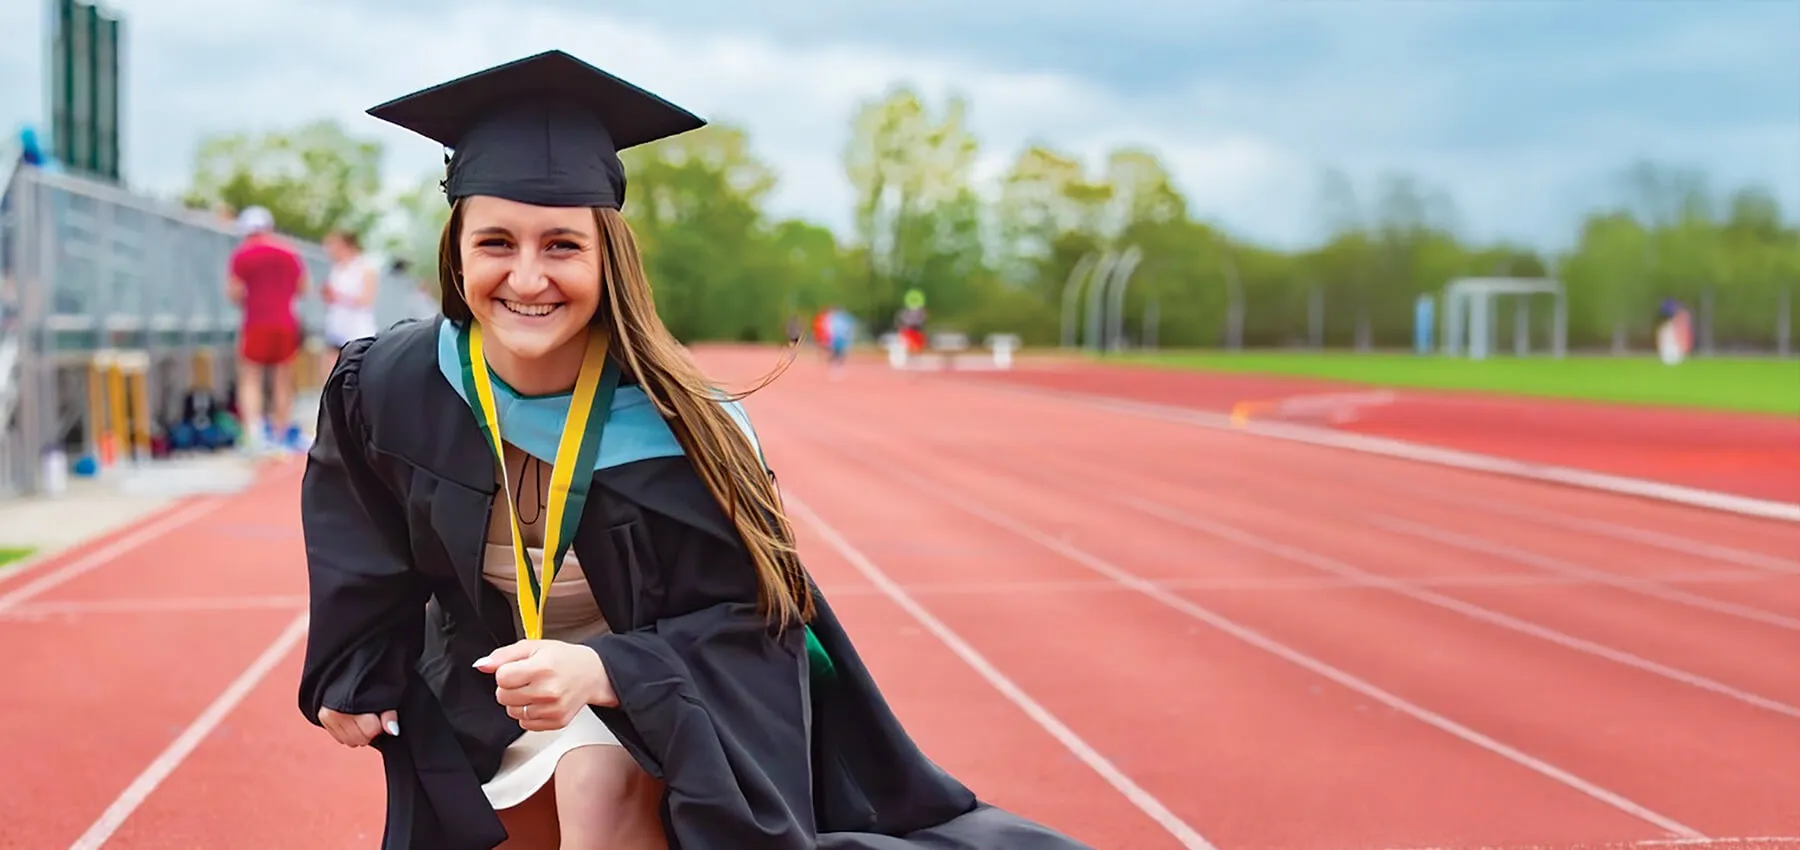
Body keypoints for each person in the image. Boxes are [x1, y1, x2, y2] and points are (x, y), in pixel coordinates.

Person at [297, 49, 1092, 850]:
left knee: (596, 787)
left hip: (661, 712)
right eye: (496, 242)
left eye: (563, 246)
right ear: (456, 250)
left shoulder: (677, 426)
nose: (527, 277)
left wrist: (610, 673)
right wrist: (354, 664)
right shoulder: (391, 386)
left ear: (610, 259)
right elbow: (357, 529)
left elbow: (756, 624)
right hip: (483, 689)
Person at [226, 205, 307, 453]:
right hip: (285, 321)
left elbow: (234, 292)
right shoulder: (289, 252)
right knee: (283, 378)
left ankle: (254, 433)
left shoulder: (242, 255)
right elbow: (302, 288)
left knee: (250, 376)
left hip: (256, 322)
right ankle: (282, 432)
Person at [320, 228, 382, 375]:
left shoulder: (366, 267)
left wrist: (339, 296)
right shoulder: (337, 268)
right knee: (330, 370)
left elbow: (366, 299)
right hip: (336, 327)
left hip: (357, 331)